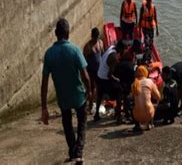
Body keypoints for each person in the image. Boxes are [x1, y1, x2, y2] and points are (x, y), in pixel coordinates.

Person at [41, 19, 92, 164]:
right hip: (78, 96)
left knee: (67, 124)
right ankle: (79, 153)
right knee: (82, 123)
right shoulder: (75, 50)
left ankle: (72, 152)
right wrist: (90, 91)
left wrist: (44, 107)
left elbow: (44, 83)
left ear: (56, 34)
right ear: (68, 34)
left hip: (63, 98)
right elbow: (85, 76)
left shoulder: (49, 54)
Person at [94, 40, 125, 123]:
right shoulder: (114, 57)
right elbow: (109, 75)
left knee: (99, 96)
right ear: (121, 49)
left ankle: (96, 114)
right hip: (105, 79)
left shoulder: (111, 48)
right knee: (119, 91)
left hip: (99, 76)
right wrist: (117, 79)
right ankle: (119, 118)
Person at [132, 65, 161, 132]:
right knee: (152, 103)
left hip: (136, 116)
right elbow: (158, 97)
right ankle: (150, 124)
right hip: (149, 114)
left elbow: (133, 98)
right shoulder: (149, 81)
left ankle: (137, 125)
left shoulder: (133, 84)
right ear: (145, 72)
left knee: (135, 104)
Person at [83, 27, 104, 114]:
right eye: (95, 37)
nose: (96, 39)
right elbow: (83, 60)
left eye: (97, 37)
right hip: (90, 71)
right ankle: (89, 105)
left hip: (99, 71)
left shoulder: (100, 43)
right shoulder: (87, 46)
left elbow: (102, 55)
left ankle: (98, 104)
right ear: (92, 36)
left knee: (99, 88)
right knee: (90, 89)